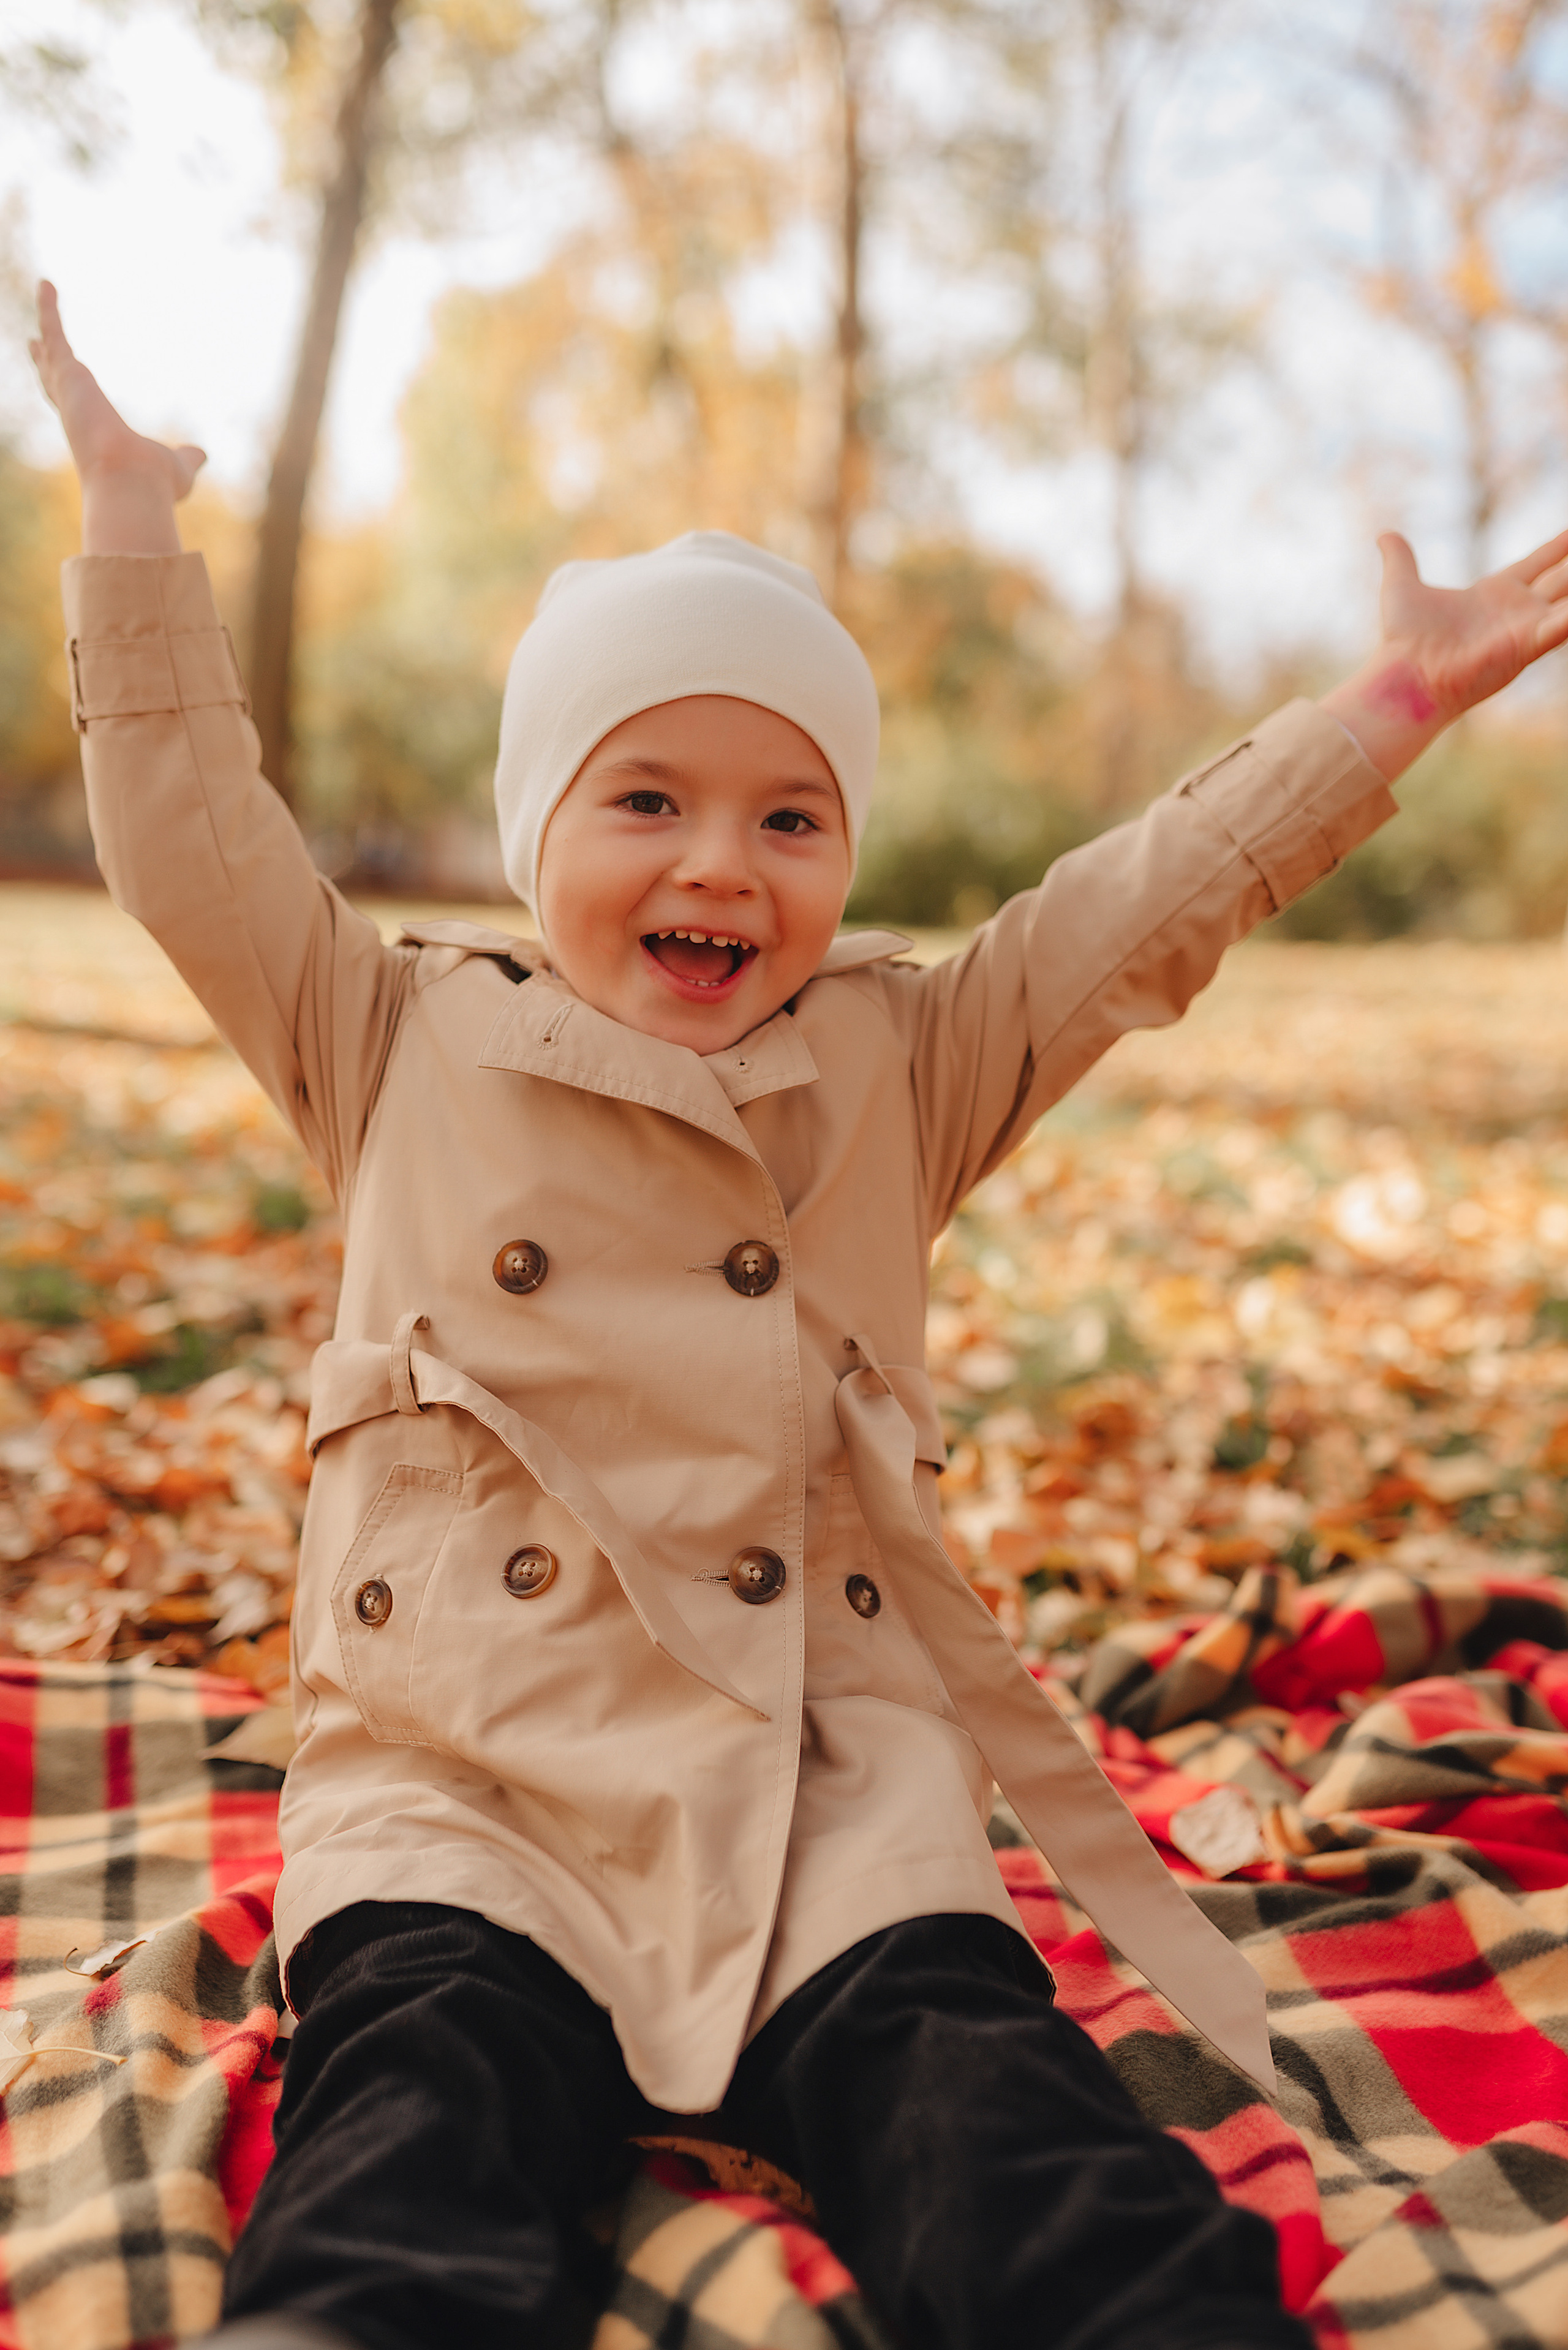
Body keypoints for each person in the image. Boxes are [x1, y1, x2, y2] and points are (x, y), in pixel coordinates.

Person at [30, 276, 1568, 2350]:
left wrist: (1376, 715)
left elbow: (1136, 913)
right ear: (537, 827)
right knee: (413, 2126)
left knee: (992, 2115)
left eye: (792, 815)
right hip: (463, 1770)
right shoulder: (386, 1031)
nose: (724, 867)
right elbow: (196, 845)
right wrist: (133, 537)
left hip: (827, 1768)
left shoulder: (900, 1065)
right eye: (647, 797)